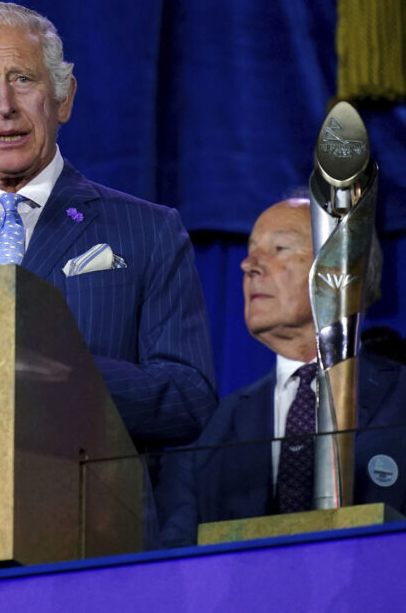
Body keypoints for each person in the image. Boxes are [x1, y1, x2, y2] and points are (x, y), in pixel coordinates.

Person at [0, 2, 216, 447]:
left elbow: (190, 400)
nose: (4, 105)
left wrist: (63, 374)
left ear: (63, 97)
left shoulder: (148, 231)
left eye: (22, 79)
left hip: (88, 506)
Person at [155, 198, 406, 547]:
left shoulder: (400, 399)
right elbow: (176, 563)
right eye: (251, 250)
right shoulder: (209, 430)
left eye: (280, 248)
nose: (248, 265)